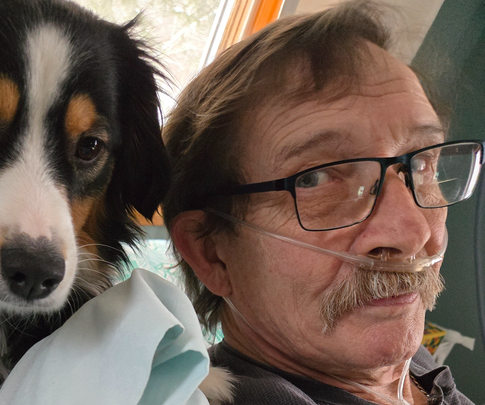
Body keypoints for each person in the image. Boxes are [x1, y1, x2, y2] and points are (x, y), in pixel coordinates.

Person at [162, 1, 481, 404]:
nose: (413, 233)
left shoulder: (414, 369)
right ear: (211, 253)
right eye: (317, 178)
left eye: (422, 164)